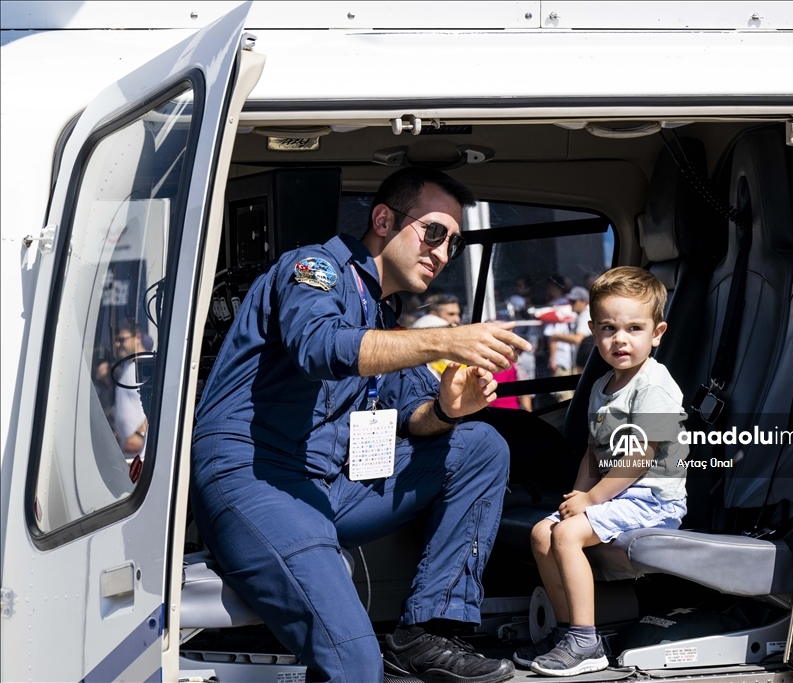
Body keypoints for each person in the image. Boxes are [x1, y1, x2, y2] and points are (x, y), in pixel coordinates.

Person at [191, 167, 532, 683]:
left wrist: (446, 411)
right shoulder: (313, 269)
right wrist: (445, 339)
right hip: (257, 478)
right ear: (382, 219)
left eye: (453, 245)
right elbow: (321, 348)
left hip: (324, 486)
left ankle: (425, 632)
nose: (441, 254)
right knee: (353, 663)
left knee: (480, 443)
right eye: (433, 233)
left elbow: (411, 417)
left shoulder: (379, 317)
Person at [517, 267, 688, 676]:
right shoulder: (602, 386)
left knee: (567, 533)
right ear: (594, 333)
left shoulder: (655, 385)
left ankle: (585, 640)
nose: (620, 339)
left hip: (652, 500)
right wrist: (576, 498)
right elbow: (595, 453)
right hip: (616, 494)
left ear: (657, 333)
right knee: (544, 531)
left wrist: (592, 501)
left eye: (634, 328)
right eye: (609, 328)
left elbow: (640, 456)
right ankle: (567, 632)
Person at [111, 320, 148, 460]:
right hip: (128, 455)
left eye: (121, 340)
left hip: (144, 456)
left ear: (137, 337)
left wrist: (140, 435)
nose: (117, 345)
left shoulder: (146, 364)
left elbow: (161, 405)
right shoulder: (127, 367)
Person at [547, 286, 593, 373]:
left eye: (573, 301)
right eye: (570, 301)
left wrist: (556, 336)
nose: (570, 304)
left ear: (583, 302)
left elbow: (577, 339)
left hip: (584, 364)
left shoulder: (585, 315)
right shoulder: (583, 315)